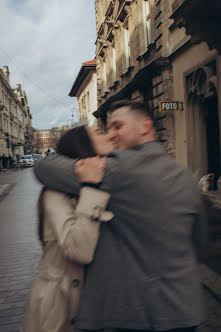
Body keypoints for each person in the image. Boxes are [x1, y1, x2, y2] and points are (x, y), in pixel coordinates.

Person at [34, 100, 207, 332]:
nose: (111, 135)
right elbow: (199, 242)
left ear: (145, 126)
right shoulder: (185, 175)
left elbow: (44, 168)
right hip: (185, 309)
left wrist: (83, 166)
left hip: (137, 314)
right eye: (107, 129)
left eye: (117, 126)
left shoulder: (115, 170)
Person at [21, 126, 114, 332]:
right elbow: (78, 250)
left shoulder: (111, 176)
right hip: (60, 309)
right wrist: (90, 187)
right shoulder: (56, 192)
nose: (109, 135)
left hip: (96, 304)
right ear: (83, 146)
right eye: (100, 132)